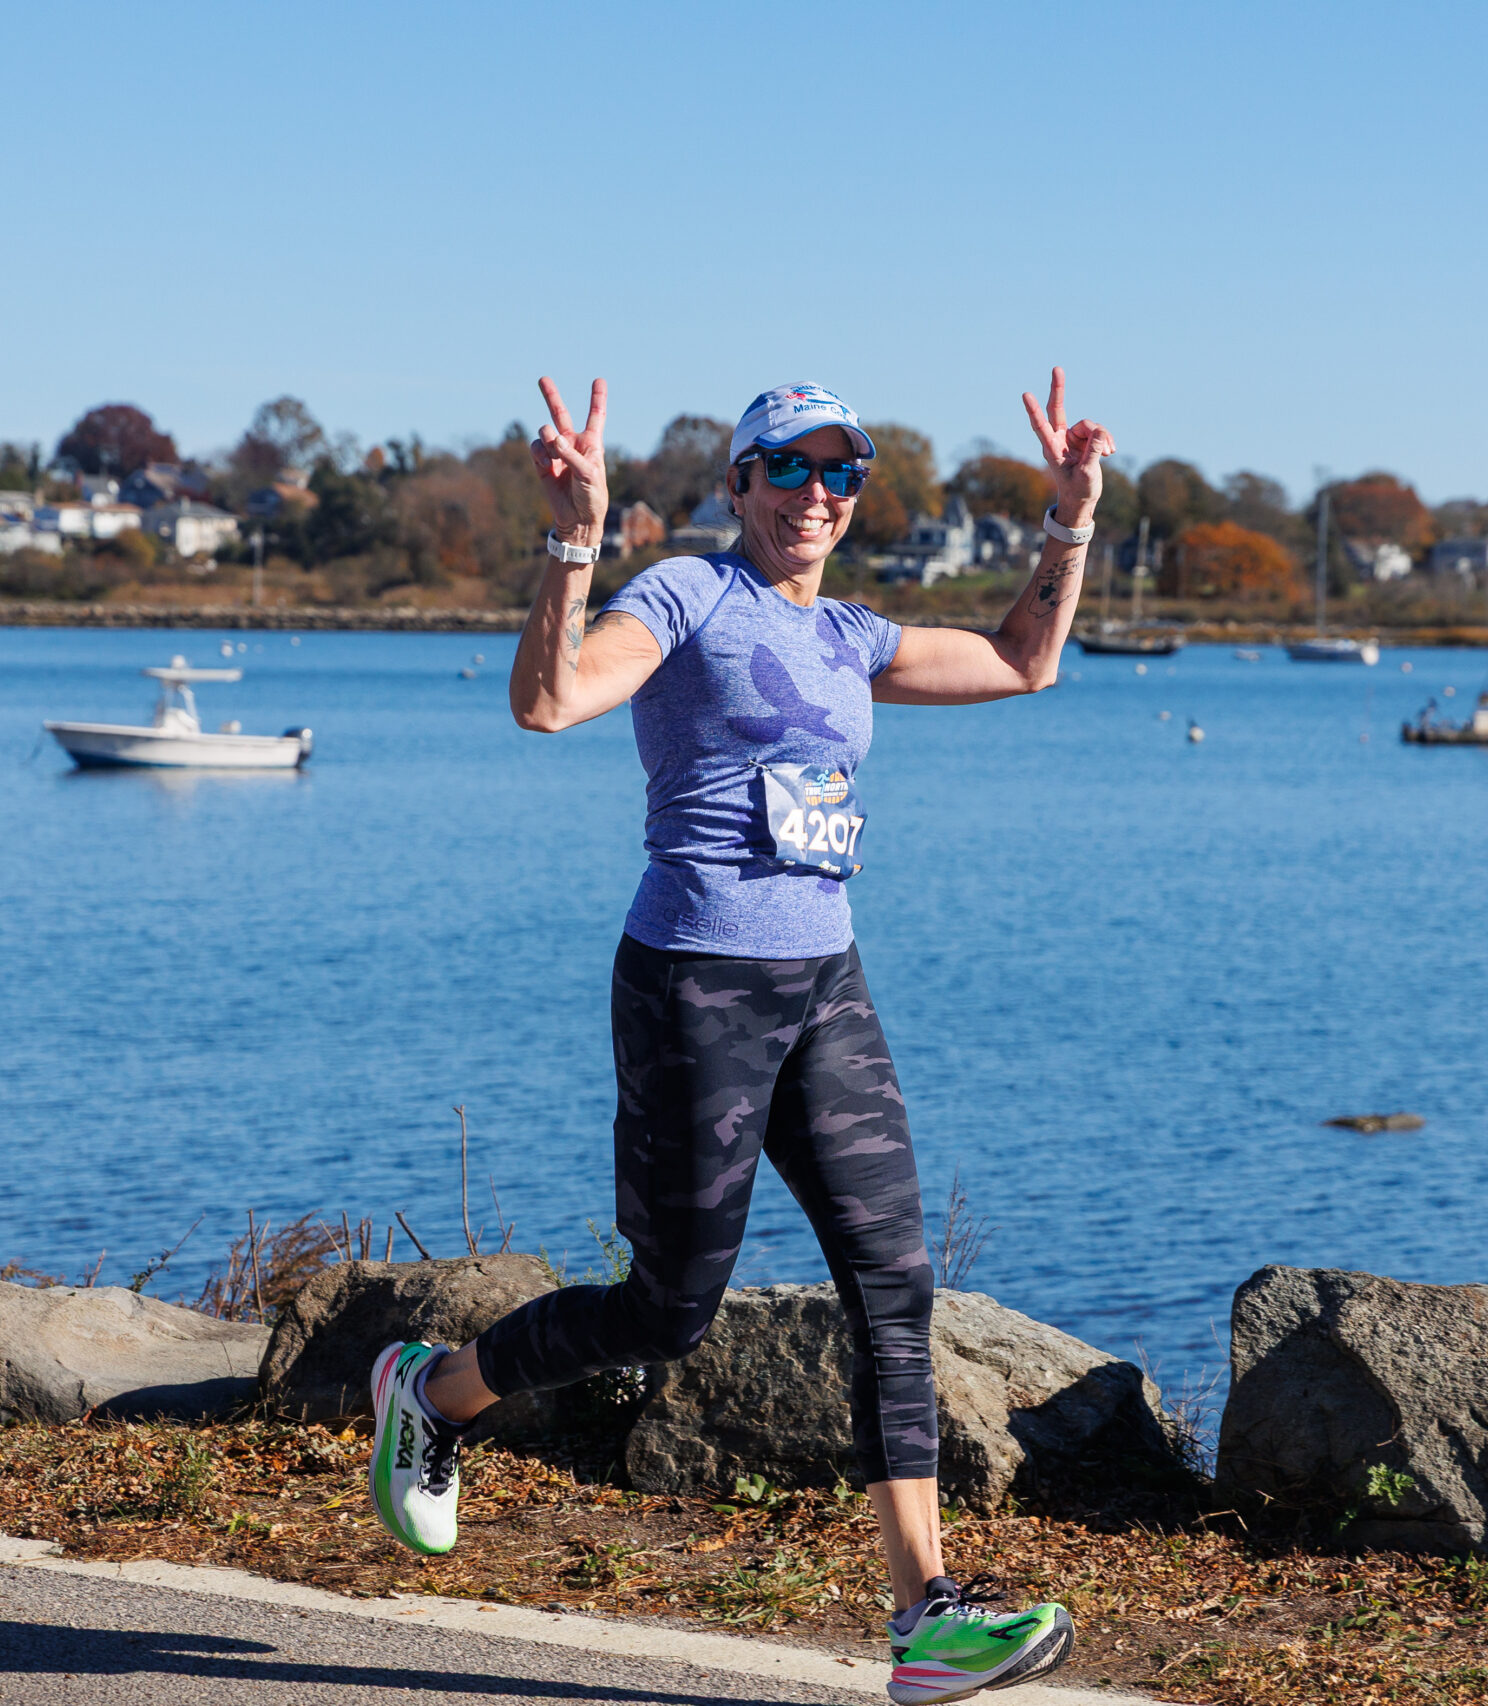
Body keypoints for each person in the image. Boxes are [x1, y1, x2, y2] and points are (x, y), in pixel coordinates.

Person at [369, 372, 1113, 1706]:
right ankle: (435, 1392)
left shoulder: (848, 633)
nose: (818, 495)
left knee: (895, 1281)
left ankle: (924, 1617)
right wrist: (573, 536)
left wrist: (1068, 518)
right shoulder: (682, 598)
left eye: (843, 474)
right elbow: (547, 701)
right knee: (668, 1308)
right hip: (693, 983)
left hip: (824, 981)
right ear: (739, 485)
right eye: (791, 469)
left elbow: (1022, 659)